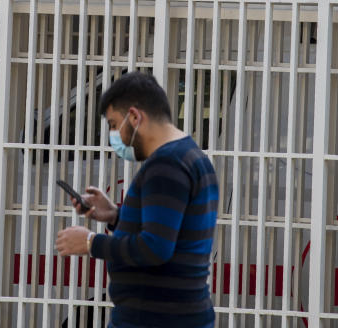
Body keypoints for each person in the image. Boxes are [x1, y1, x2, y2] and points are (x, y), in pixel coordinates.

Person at [55, 71, 219, 328]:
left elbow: (154, 247)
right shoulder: (190, 156)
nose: (113, 135)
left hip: (154, 318)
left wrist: (90, 243)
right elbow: (171, 231)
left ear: (134, 116)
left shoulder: (166, 164)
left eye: (112, 124)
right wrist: (115, 215)